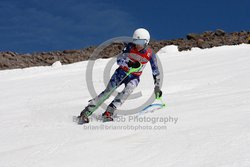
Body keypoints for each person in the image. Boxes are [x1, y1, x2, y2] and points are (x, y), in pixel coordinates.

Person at [77, 28, 162, 124]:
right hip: (121, 73)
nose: (138, 45)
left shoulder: (150, 54)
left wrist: (157, 86)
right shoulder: (129, 47)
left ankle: (109, 112)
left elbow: (155, 71)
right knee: (108, 92)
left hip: (134, 77)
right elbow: (119, 60)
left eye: (140, 42)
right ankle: (86, 112)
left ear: (146, 42)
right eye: (135, 41)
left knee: (127, 91)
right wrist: (129, 63)